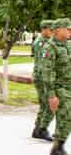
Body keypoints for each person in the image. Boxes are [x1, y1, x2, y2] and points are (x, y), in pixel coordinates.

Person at [43, 18, 71, 155]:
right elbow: (48, 73)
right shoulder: (50, 47)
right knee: (66, 116)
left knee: (66, 118)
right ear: (58, 30)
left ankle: (58, 146)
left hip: (69, 86)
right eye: (68, 28)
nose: (70, 31)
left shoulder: (67, 45)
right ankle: (57, 147)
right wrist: (52, 95)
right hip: (59, 88)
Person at [32, 20, 54, 141]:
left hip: (42, 77)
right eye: (50, 30)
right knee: (46, 104)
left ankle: (38, 129)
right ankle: (40, 129)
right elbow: (42, 64)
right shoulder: (40, 43)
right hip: (41, 78)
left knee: (44, 104)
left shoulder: (47, 42)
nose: (52, 32)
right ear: (44, 29)